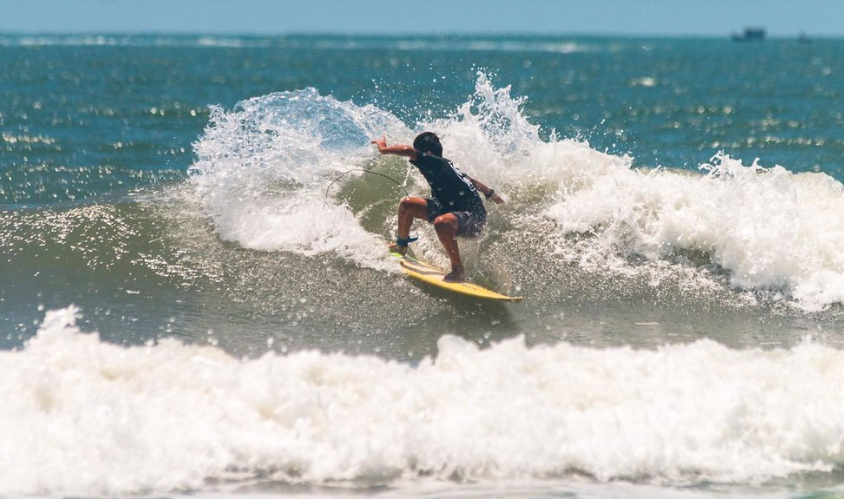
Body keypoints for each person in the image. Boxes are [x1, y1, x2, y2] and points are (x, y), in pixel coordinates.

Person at [371, 132, 504, 282]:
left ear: (428, 154)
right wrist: (490, 193)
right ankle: (401, 246)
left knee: (442, 223)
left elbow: (408, 150)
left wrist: (383, 149)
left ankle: (458, 270)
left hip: (474, 219)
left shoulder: (436, 163)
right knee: (407, 204)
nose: (415, 161)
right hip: (449, 209)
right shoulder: (446, 164)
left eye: (418, 156)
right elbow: (471, 180)